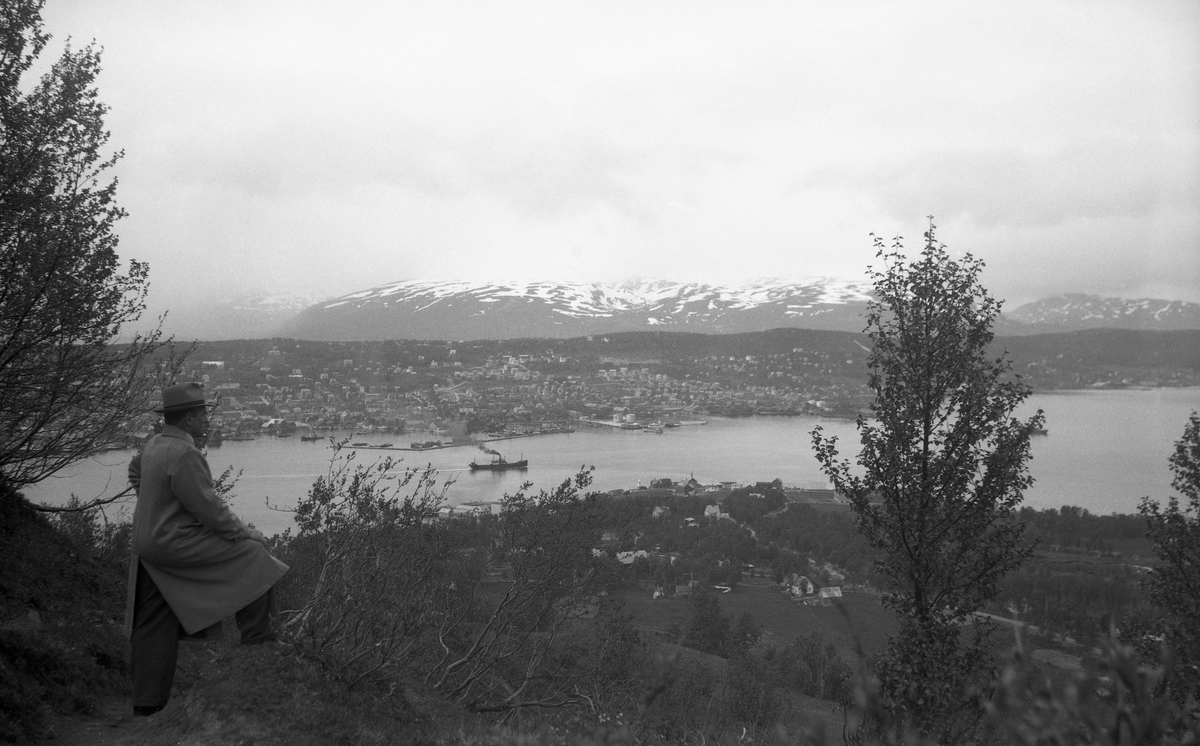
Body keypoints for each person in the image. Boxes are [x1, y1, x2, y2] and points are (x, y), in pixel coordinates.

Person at [123, 382, 289, 716]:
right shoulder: (186, 453)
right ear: (187, 419)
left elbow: (134, 471)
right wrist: (247, 532)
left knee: (154, 620)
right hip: (173, 545)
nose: (206, 422)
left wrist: (155, 506)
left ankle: (147, 703)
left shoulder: (155, 443)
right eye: (201, 416)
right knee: (254, 556)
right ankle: (257, 636)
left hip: (146, 543)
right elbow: (209, 508)